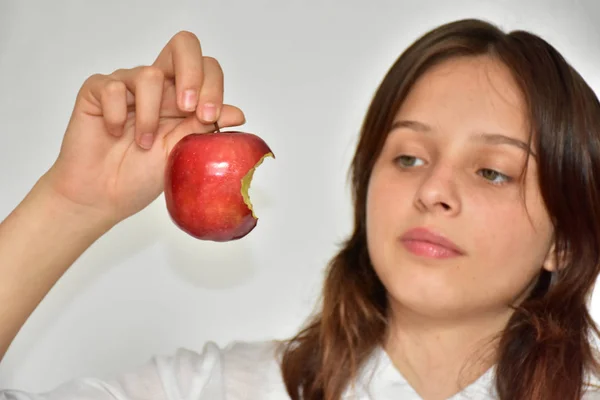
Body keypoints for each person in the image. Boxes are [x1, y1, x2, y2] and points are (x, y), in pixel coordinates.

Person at [1, 16, 600, 400]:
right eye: (409, 158)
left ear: (565, 239)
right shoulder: (216, 390)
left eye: (493, 171)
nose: (432, 190)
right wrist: (72, 204)